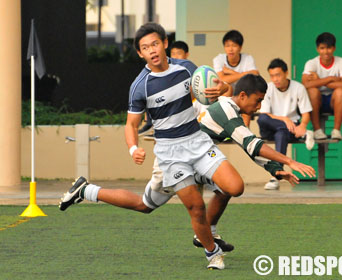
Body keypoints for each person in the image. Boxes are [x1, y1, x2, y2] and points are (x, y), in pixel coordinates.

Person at [59, 22, 243, 270]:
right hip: (170, 154)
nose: (152, 50)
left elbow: (217, 89)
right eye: (146, 48)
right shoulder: (140, 86)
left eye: (155, 44)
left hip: (198, 143)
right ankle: (213, 252)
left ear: (165, 43)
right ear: (140, 54)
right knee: (192, 207)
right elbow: (131, 125)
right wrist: (133, 148)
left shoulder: (187, 68)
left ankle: (209, 229)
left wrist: (224, 87)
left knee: (234, 186)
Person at [132, 74, 316, 252]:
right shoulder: (226, 110)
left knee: (229, 187)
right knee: (144, 205)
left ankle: (208, 235)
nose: (259, 106)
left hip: (196, 161)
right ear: (243, 95)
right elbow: (252, 144)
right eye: (258, 100)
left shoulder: (229, 108)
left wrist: (276, 170)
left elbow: (248, 145)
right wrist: (289, 161)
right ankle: (101, 193)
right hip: (174, 164)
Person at [257, 59, 313, 190]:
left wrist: (303, 126)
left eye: (278, 75)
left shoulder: (298, 88)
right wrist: (284, 119)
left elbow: (306, 113)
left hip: (288, 129)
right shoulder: (268, 88)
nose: (275, 79)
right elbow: (265, 114)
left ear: (286, 73)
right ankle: (301, 134)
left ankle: (276, 177)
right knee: (262, 118)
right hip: (271, 127)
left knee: (281, 133)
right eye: (272, 76)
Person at [301, 32, 342, 140]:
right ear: (317, 49)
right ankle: (317, 130)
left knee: (341, 91)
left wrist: (318, 80)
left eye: (328, 48)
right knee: (312, 91)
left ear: (334, 48)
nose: (325, 52)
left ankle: (336, 130)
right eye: (322, 48)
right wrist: (330, 78)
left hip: (334, 102)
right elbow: (305, 84)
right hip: (316, 101)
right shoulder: (311, 63)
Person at [213, 30, 259, 127]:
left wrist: (230, 72)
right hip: (225, 95)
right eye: (227, 46)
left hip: (242, 95)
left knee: (246, 96)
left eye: (234, 45)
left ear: (240, 47)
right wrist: (243, 74)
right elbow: (221, 79)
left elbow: (255, 75)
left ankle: (246, 133)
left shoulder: (247, 58)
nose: (230, 49)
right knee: (227, 87)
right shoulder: (219, 59)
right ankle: (226, 128)